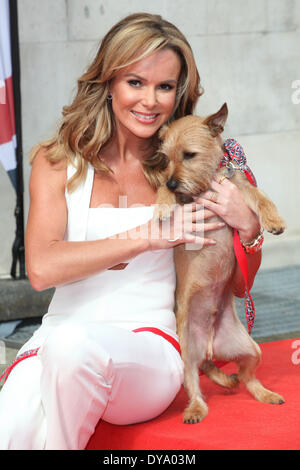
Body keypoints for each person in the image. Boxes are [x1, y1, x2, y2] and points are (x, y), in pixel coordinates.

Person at [0, 13, 262, 450]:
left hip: (150, 346)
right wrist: (149, 236)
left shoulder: (190, 166)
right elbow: (42, 269)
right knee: (10, 430)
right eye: (135, 82)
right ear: (108, 82)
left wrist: (248, 224)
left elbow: (234, 284)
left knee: (72, 348)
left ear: (180, 92)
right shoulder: (56, 161)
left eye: (165, 86)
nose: (150, 101)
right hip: (55, 340)